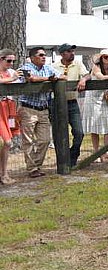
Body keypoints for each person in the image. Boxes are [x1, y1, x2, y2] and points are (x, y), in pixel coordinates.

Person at [18, 47, 64, 177]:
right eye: (41, 55)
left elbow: (62, 76)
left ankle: (36, 165)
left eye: (45, 55)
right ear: (32, 57)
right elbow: (30, 78)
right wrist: (49, 79)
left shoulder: (48, 68)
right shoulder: (25, 67)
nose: (44, 57)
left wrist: (54, 78)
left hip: (43, 109)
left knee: (45, 140)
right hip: (28, 108)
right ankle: (32, 169)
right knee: (28, 141)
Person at [52, 43, 90, 167]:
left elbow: (87, 74)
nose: (72, 53)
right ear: (62, 54)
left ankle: (72, 156)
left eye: (73, 51)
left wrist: (83, 80)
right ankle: (63, 162)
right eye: (69, 51)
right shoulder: (53, 66)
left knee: (79, 132)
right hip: (57, 103)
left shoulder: (78, 63)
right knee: (59, 134)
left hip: (72, 103)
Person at [0, 49, 21, 184]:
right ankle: (3, 174)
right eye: (8, 61)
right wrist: (11, 79)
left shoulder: (12, 72)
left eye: (13, 61)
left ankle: (4, 173)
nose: (11, 63)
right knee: (6, 142)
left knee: (8, 143)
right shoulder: (10, 75)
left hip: (10, 106)